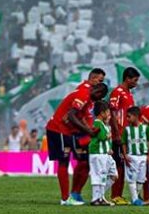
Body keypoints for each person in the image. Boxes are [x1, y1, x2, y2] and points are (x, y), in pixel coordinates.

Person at [44, 71, 104, 206]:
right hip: (59, 129)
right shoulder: (84, 92)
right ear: (93, 79)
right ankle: (65, 199)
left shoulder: (89, 95)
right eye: (100, 81)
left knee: (84, 160)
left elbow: (82, 115)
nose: (102, 84)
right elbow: (71, 115)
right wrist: (88, 130)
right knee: (64, 162)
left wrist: (90, 129)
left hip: (71, 131)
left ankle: (74, 194)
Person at [109, 67, 141, 205]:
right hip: (119, 134)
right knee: (118, 165)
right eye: (135, 80)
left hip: (126, 134)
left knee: (122, 164)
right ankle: (115, 195)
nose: (136, 83)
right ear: (127, 78)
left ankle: (119, 195)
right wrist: (116, 133)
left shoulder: (129, 93)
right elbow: (112, 113)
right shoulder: (117, 92)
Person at [85, 102, 116, 206]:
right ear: (102, 113)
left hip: (102, 153)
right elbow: (102, 137)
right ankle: (96, 198)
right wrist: (109, 135)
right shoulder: (97, 123)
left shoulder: (101, 123)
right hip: (98, 153)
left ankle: (99, 197)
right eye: (107, 111)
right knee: (98, 175)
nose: (109, 113)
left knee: (105, 175)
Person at [121, 107, 149, 206]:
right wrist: (125, 155)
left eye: (129, 116)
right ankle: (134, 199)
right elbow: (124, 143)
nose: (127, 119)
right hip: (132, 156)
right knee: (132, 178)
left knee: (141, 179)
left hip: (143, 156)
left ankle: (136, 197)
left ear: (136, 116)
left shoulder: (145, 128)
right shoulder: (127, 130)